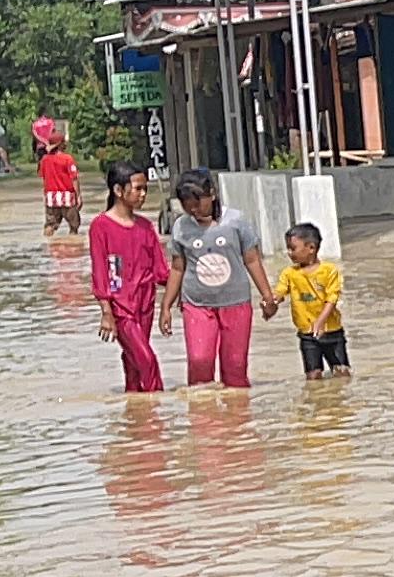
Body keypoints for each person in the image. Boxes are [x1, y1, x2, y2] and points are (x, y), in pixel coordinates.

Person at [163, 171, 274, 390]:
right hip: (196, 304)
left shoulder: (236, 221)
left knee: (235, 366)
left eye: (197, 202)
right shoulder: (180, 227)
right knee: (199, 361)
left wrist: (267, 296)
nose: (193, 209)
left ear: (212, 194)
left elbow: (251, 260)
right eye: (187, 205)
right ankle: (203, 418)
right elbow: (177, 268)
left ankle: (236, 418)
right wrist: (166, 306)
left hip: (235, 303)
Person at [87, 162, 170, 394]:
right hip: (120, 307)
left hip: (145, 303)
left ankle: (136, 413)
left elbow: (161, 270)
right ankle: (159, 405)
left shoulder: (145, 226)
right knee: (147, 359)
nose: (143, 194)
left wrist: (185, 286)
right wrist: (106, 312)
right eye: (138, 189)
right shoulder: (100, 227)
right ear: (118, 190)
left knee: (134, 361)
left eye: (146, 189)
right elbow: (100, 272)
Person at [277, 222, 353, 379]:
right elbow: (280, 291)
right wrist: (271, 300)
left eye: (293, 248)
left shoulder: (329, 271)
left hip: (332, 332)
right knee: (313, 377)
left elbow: (331, 300)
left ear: (311, 248)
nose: (289, 253)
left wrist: (320, 322)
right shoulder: (289, 273)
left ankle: (340, 401)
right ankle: (317, 401)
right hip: (306, 334)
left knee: (342, 373)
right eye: (288, 249)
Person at [35, 122, 83, 237]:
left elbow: (42, 176)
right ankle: (73, 246)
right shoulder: (68, 159)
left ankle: (46, 247)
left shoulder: (44, 160)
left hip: (51, 198)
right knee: (74, 226)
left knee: (50, 225)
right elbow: (74, 179)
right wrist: (79, 196)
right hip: (67, 197)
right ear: (60, 144)